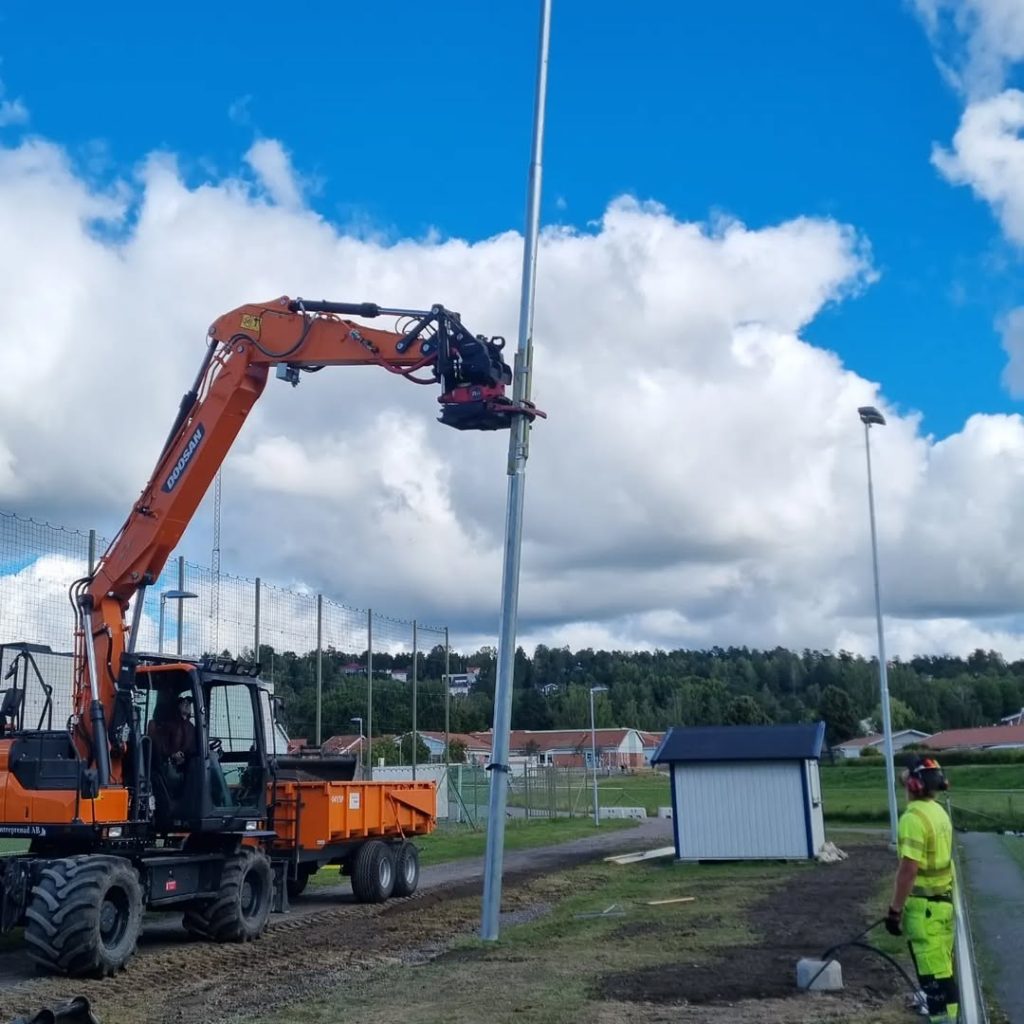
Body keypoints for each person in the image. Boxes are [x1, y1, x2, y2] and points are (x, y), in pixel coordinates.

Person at [885, 755, 959, 1023]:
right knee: (943, 972)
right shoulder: (938, 812)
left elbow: (909, 870)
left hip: (925, 910)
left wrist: (894, 910)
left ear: (913, 783)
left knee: (933, 979)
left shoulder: (912, 818)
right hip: (943, 906)